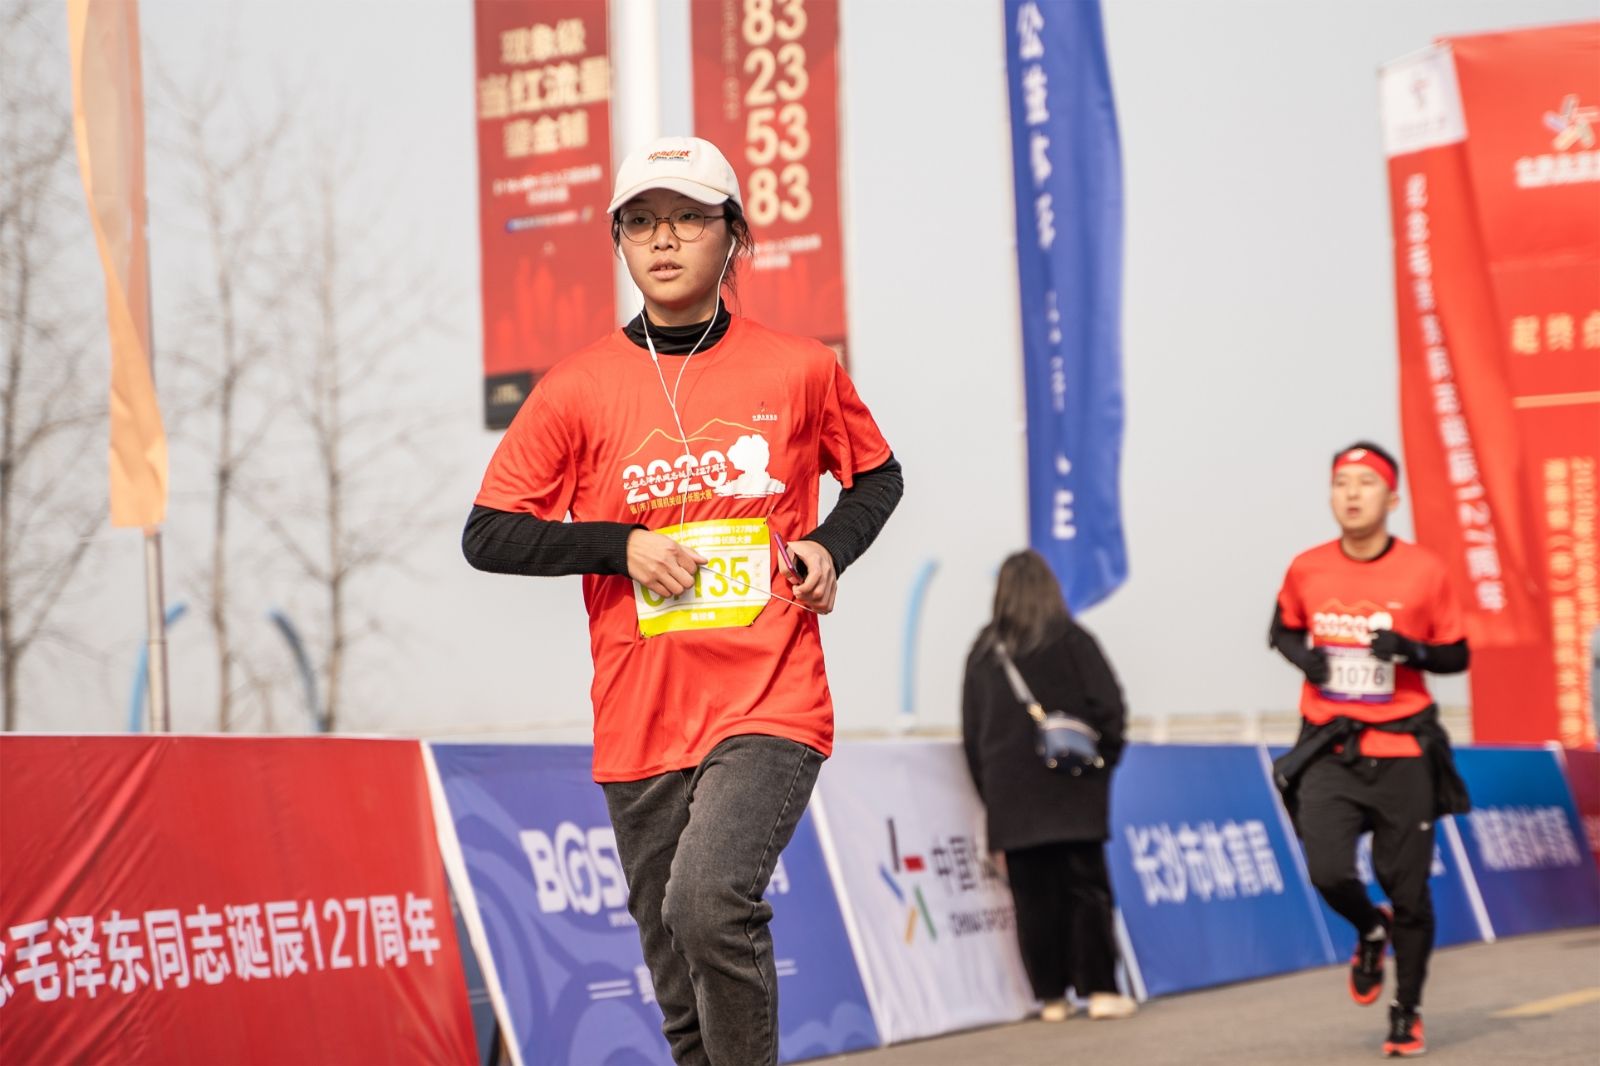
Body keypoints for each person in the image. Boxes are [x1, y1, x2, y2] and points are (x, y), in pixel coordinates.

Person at [462, 136, 902, 1066]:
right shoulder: (575, 387)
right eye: (641, 222)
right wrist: (617, 545)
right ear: (620, 240)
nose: (663, 239)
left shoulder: (798, 367)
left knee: (707, 902)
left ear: (732, 235)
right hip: (641, 716)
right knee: (679, 988)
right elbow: (489, 533)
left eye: (689, 219)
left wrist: (829, 546)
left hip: (768, 698)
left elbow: (877, 476)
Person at [1269, 442, 1470, 1059]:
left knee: (1408, 890)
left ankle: (1406, 1012)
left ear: (1392, 497)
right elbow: (1281, 628)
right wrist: (1306, 658)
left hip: (1403, 750)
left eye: (1365, 483)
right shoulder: (1307, 568)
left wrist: (1411, 650)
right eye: (1341, 483)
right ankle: (1368, 927)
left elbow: (1457, 653)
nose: (1352, 494)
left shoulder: (1424, 571)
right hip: (1330, 747)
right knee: (1328, 870)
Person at [961, 549, 1136, 1023]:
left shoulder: (984, 651)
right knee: (1086, 891)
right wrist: (1100, 767)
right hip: (1074, 789)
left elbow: (972, 736)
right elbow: (1111, 709)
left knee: (1032, 899)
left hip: (1011, 798)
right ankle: (1101, 991)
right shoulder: (1073, 639)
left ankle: (1052, 998)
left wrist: (993, 793)